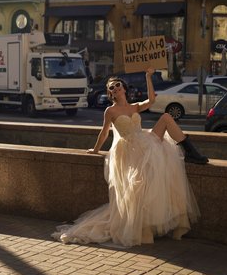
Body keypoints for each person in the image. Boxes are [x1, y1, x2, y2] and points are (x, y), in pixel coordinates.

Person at [52, 68, 207, 247]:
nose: (115, 88)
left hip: (145, 141)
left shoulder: (134, 107)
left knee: (166, 117)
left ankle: (191, 153)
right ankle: (144, 229)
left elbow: (152, 100)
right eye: (111, 88)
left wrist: (148, 77)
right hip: (129, 149)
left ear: (124, 89)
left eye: (118, 85)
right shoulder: (110, 111)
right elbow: (104, 134)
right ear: (111, 94)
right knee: (141, 184)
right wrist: (95, 150)